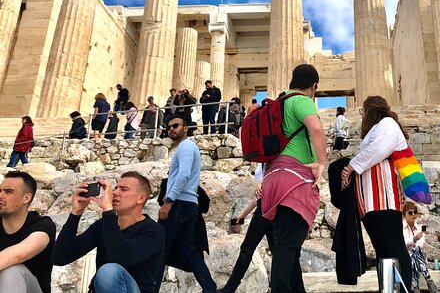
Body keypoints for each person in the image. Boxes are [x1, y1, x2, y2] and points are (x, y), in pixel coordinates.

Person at [260, 64, 327, 293]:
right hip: (294, 180)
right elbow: (316, 128)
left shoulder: (279, 103)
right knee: (288, 244)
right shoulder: (302, 100)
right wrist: (321, 162)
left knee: (290, 244)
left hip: (274, 178)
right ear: (314, 86)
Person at [340, 95, 412, 290]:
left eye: (363, 111)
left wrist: (351, 166)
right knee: (383, 250)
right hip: (371, 200)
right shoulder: (376, 129)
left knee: (393, 247)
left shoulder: (388, 123)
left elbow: (380, 149)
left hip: (383, 197)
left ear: (372, 110)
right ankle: (388, 289)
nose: (362, 116)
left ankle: (403, 289)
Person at [53, 172, 165, 293]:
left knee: (109, 271)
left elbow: (121, 257)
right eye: (116, 188)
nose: (115, 193)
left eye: (124, 189)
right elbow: (60, 258)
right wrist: (76, 213)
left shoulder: (153, 231)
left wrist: (108, 211)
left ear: (141, 198)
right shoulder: (103, 225)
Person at [155, 115, 217, 293]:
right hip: (188, 205)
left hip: (179, 204)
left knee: (160, 250)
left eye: (176, 125)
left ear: (186, 128)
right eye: (169, 127)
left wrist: (168, 201)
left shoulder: (186, 146)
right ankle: (210, 289)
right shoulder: (186, 148)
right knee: (191, 252)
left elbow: (183, 175)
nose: (172, 129)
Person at [218, 164, 275, 293]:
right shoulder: (261, 168)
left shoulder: (271, 164)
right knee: (276, 250)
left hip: (266, 207)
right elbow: (257, 197)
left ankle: (229, 289)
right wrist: (243, 215)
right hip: (271, 207)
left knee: (247, 248)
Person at [0, 171, 56, 293]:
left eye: (8, 192)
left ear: (26, 198)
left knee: (12, 271)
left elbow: (19, 254)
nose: (1, 195)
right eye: (0, 191)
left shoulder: (43, 225)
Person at [402, 201, 438, 293]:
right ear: (404, 215)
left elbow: (421, 243)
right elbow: (402, 243)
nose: (413, 215)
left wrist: (414, 244)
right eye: (410, 212)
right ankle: (429, 281)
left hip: (415, 256)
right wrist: (414, 239)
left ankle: (415, 287)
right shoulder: (400, 228)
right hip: (404, 255)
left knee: (414, 252)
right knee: (412, 252)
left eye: (415, 212)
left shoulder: (419, 227)